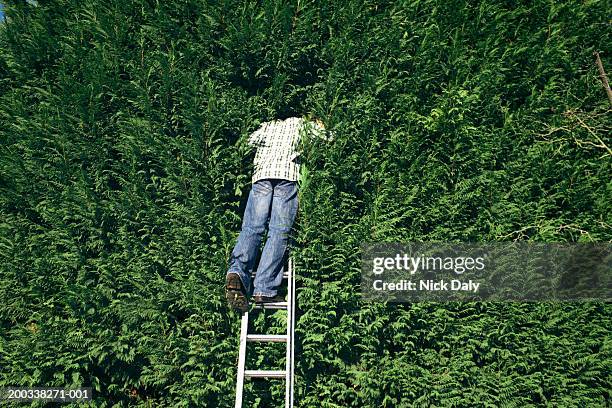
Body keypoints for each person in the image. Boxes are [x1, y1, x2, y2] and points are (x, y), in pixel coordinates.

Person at [225, 114, 333, 312]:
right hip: (287, 176)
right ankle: (264, 289)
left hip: (261, 177)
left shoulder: (266, 125)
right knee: (279, 232)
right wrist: (321, 124)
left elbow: (246, 142)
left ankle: (237, 274)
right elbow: (328, 137)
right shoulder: (302, 124)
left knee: (252, 228)